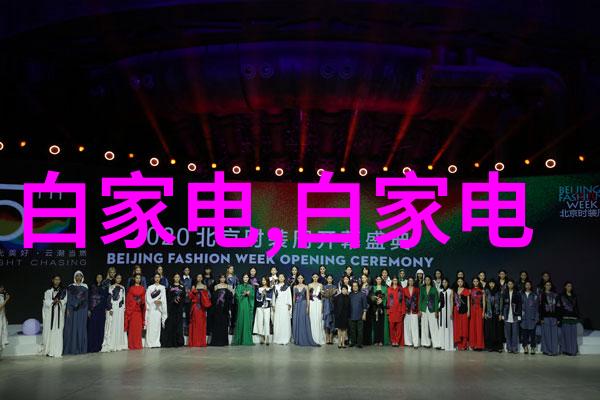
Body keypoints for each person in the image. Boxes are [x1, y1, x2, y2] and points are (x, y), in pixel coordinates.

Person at [63, 270, 88, 355]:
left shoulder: (85, 286)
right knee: (71, 328)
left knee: (81, 328)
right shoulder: (70, 286)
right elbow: (68, 299)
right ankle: (71, 348)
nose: (78, 277)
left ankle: (80, 348)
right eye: (77, 275)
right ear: (74, 277)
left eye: (80, 275)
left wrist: (86, 310)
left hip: (82, 310)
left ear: (82, 277)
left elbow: (86, 300)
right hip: (72, 310)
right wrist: (68, 309)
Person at [101, 273, 127, 352]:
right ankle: (111, 343)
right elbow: (109, 298)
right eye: (117, 278)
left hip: (120, 309)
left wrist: (123, 308)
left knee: (119, 324)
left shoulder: (122, 287)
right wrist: (110, 308)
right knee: (112, 325)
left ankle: (118, 344)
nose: (119, 279)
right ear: (115, 278)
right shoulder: (111, 287)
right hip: (113, 308)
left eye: (120, 278)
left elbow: (123, 298)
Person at [42, 275, 67, 357]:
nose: (57, 281)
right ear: (52, 280)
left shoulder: (63, 291)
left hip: (59, 313)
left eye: (58, 279)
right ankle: (49, 350)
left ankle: (57, 351)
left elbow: (65, 300)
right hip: (50, 314)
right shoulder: (48, 291)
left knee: (58, 331)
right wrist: (52, 302)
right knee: (50, 331)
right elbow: (45, 301)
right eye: (55, 279)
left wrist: (59, 301)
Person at [292, 275, 319, 346]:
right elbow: (294, 298)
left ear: (303, 279)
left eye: (301, 278)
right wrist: (293, 307)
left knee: (302, 320)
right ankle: (297, 339)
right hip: (297, 305)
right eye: (299, 278)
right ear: (297, 279)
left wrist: (307, 307)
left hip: (303, 305)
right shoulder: (294, 287)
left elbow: (307, 298)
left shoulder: (306, 286)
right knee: (296, 321)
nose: (300, 279)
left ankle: (303, 338)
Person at [162, 273, 185, 348]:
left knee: (178, 325)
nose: (177, 278)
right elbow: (168, 297)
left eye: (178, 277)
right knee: (171, 324)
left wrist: (179, 300)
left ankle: (178, 342)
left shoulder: (182, 287)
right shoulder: (170, 287)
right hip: (172, 308)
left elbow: (184, 297)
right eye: (175, 277)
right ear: (173, 278)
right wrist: (173, 300)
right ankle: (171, 341)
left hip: (179, 308)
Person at [189, 274, 211, 347]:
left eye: (201, 277)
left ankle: (201, 342)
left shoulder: (204, 286)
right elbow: (190, 297)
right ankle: (195, 342)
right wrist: (192, 291)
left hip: (202, 308)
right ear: (196, 278)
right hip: (195, 307)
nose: (199, 278)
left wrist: (204, 292)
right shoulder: (193, 286)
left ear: (202, 278)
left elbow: (208, 297)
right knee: (195, 323)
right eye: (198, 277)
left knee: (201, 324)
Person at [210, 274, 233, 346]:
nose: (222, 279)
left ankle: (224, 341)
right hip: (217, 309)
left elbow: (231, 297)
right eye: (221, 278)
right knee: (217, 324)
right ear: (219, 279)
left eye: (223, 278)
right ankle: (216, 341)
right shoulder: (216, 286)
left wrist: (228, 306)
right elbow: (213, 298)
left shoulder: (228, 286)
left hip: (225, 309)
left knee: (224, 325)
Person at [145, 273, 167, 348]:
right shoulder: (150, 287)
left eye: (158, 277)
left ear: (160, 278)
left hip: (158, 309)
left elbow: (163, 298)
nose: (157, 278)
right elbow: (147, 298)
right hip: (151, 309)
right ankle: (149, 343)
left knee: (157, 326)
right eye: (156, 277)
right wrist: (153, 301)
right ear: (154, 278)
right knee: (150, 326)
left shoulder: (162, 287)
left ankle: (156, 342)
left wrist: (160, 301)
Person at [87, 273, 108, 353]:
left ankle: (98, 346)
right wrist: (89, 309)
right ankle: (91, 346)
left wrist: (106, 308)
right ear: (96, 278)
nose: (99, 278)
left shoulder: (104, 287)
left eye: (100, 277)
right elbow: (89, 298)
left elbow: (106, 299)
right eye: (98, 277)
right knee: (92, 328)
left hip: (101, 310)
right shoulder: (92, 287)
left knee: (100, 328)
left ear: (102, 279)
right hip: (93, 310)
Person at [125, 273, 145, 350]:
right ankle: (132, 344)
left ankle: (138, 344)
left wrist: (140, 301)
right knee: (132, 329)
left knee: (138, 329)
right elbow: (129, 300)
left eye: (139, 278)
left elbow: (143, 299)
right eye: (137, 278)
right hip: (132, 311)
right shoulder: (131, 288)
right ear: (134, 279)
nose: (138, 279)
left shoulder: (142, 288)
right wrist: (135, 301)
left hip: (139, 311)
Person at [233, 273, 254, 345]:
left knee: (247, 321)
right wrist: (243, 294)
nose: (246, 278)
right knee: (240, 320)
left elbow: (252, 297)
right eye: (244, 277)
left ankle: (246, 339)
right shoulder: (239, 286)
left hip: (247, 305)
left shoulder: (250, 287)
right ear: (242, 278)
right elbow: (237, 296)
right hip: (241, 305)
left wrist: (249, 294)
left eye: (247, 277)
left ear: (248, 278)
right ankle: (239, 340)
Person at [558, 282, 579, 356]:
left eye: (570, 286)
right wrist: (559, 318)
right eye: (568, 286)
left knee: (573, 335)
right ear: (565, 287)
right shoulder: (561, 296)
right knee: (566, 335)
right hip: (565, 317)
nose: (570, 287)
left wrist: (577, 316)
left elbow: (576, 307)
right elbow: (559, 308)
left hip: (573, 318)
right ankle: (566, 350)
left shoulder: (574, 296)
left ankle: (573, 351)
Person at [419, 275, 441, 349]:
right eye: (426, 280)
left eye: (428, 280)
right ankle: (426, 343)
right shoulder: (422, 289)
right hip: (424, 309)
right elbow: (420, 299)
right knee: (424, 326)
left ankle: (436, 344)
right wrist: (420, 309)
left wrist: (436, 311)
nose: (427, 281)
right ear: (424, 281)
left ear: (430, 281)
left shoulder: (434, 289)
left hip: (432, 309)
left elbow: (436, 300)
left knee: (434, 326)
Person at [539, 280, 560, 356]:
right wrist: (541, 318)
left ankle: (554, 351)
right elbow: (540, 307)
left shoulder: (555, 295)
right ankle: (547, 350)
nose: (548, 286)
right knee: (546, 335)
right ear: (544, 286)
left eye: (549, 285)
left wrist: (558, 318)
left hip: (554, 317)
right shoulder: (542, 295)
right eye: (547, 285)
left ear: (551, 286)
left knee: (554, 335)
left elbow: (558, 307)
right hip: (545, 317)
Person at [501, 279, 522, 354]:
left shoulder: (517, 293)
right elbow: (502, 304)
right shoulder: (504, 293)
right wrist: (502, 314)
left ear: (513, 285)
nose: (510, 285)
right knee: (508, 334)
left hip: (515, 316)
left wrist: (519, 315)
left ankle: (515, 348)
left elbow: (519, 304)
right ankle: (509, 348)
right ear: (507, 285)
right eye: (509, 284)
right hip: (506, 315)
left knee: (515, 333)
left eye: (511, 284)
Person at [272, 273, 292, 345]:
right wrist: (273, 305)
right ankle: (277, 338)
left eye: (282, 277)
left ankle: (285, 338)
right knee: (278, 321)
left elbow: (289, 296)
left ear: (284, 278)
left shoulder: (287, 287)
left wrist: (289, 305)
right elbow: (274, 296)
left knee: (285, 321)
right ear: (278, 278)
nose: (281, 278)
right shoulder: (275, 286)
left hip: (285, 305)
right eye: (279, 277)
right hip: (278, 305)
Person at [484, 279, 503, 352]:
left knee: (498, 330)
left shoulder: (498, 292)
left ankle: (498, 347)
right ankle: (490, 347)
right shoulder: (486, 292)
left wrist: (500, 314)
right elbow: (484, 303)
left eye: (493, 283)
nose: (491, 284)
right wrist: (485, 312)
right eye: (490, 283)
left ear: (495, 284)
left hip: (496, 313)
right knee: (490, 330)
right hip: (489, 313)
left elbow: (501, 303)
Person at [520, 280, 539, 354]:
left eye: (529, 285)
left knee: (533, 334)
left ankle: (533, 347)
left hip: (532, 318)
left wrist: (536, 317)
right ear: (524, 286)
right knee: (524, 334)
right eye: (526, 285)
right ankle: (525, 347)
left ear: (531, 286)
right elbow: (519, 306)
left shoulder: (534, 295)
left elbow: (537, 307)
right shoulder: (521, 295)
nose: (527, 286)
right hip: (524, 318)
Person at [253, 277, 273, 345]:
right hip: (260, 307)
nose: (263, 281)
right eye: (262, 280)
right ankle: (262, 337)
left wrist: (266, 294)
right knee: (260, 321)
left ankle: (267, 337)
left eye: (265, 280)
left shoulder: (270, 289)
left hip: (267, 307)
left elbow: (270, 297)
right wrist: (261, 294)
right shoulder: (259, 289)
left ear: (267, 281)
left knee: (266, 321)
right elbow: (257, 298)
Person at [348, 281, 368, 348]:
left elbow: (365, 305)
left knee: (360, 331)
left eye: (356, 286)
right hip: (351, 315)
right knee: (352, 330)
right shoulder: (350, 295)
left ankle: (359, 343)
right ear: (352, 287)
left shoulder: (362, 294)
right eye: (353, 286)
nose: (355, 287)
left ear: (358, 286)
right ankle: (353, 342)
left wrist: (364, 314)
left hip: (360, 315)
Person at [370, 276, 389, 346]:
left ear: (381, 280)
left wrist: (381, 301)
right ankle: (376, 340)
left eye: (380, 279)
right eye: (377, 279)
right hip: (375, 309)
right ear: (376, 280)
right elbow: (371, 297)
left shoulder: (384, 288)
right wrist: (376, 301)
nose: (378, 280)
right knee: (375, 325)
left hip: (382, 309)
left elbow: (386, 298)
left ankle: (381, 341)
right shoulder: (373, 287)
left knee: (381, 325)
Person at [308, 273, 326, 345]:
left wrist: (322, 306)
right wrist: (308, 306)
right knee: (312, 319)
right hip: (312, 303)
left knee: (318, 319)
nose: (315, 278)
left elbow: (322, 297)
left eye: (316, 277)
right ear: (312, 277)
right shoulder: (309, 285)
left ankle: (318, 338)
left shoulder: (320, 285)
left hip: (318, 303)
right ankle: (312, 338)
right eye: (314, 277)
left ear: (318, 277)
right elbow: (308, 296)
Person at [453, 277, 470, 351]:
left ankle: (464, 344)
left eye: (461, 281)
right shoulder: (455, 290)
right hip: (457, 311)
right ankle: (458, 344)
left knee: (464, 328)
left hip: (464, 311)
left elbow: (468, 301)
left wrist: (468, 311)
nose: (460, 283)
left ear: (463, 282)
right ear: (457, 283)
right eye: (458, 281)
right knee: (458, 327)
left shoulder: (466, 290)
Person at [469, 277, 485, 351]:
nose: (475, 282)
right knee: (473, 327)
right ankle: (473, 345)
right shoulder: (470, 291)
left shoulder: (482, 291)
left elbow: (484, 302)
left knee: (479, 327)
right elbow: (469, 302)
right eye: (474, 281)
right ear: (472, 282)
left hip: (479, 309)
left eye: (477, 281)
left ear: (479, 282)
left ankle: (479, 345)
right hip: (472, 309)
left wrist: (483, 312)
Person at [387, 276, 404, 347]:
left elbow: (403, 301)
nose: (395, 281)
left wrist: (403, 310)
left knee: (399, 328)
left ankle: (397, 341)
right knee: (391, 327)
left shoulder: (400, 289)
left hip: (399, 310)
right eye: (393, 280)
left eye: (396, 280)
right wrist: (388, 310)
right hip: (391, 311)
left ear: (397, 281)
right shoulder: (389, 289)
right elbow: (388, 301)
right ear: (392, 281)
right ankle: (393, 341)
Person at [403, 277, 420, 348]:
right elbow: (402, 300)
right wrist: (404, 310)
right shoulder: (404, 289)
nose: (410, 282)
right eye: (409, 281)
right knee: (407, 326)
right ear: (408, 282)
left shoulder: (417, 289)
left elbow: (418, 300)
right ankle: (408, 342)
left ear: (413, 282)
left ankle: (415, 343)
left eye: (412, 281)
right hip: (407, 310)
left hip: (414, 310)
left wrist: (419, 310)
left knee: (415, 326)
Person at [438, 277, 454, 351]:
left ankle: (448, 344)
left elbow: (451, 301)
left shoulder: (450, 291)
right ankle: (442, 344)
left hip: (448, 311)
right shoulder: (440, 290)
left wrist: (451, 312)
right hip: (441, 311)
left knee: (448, 326)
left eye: (445, 282)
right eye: (443, 282)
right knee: (441, 325)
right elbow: (439, 301)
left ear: (448, 283)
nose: (444, 283)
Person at [322, 275, 337, 345]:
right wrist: (329, 293)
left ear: (332, 279)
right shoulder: (324, 286)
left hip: (333, 306)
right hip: (326, 306)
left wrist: (328, 293)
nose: (329, 279)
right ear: (327, 279)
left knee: (332, 322)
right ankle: (327, 338)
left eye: (331, 278)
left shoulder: (335, 286)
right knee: (326, 322)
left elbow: (333, 295)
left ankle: (331, 338)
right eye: (328, 278)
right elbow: (325, 295)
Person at [360, 274, 372, 345]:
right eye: (362, 278)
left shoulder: (370, 287)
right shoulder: (360, 286)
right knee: (362, 325)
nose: (363, 279)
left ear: (367, 278)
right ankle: (361, 340)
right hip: (360, 307)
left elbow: (370, 297)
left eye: (364, 277)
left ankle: (367, 341)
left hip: (368, 307)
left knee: (368, 324)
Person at [181, 266, 193, 336]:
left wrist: (190, 292)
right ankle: (182, 330)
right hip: (182, 300)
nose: (187, 271)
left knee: (188, 316)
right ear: (183, 271)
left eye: (188, 270)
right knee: (181, 316)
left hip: (189, 300)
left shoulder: (191, 280)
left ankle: (188, 331)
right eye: (185, 270)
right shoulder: (180, 279)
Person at [0, 285, 9, 351]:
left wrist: (5, 317)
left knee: (3, 329)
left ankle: (2, 344)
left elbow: (3, 308)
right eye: (1, 288)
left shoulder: (1, 296)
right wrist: (6, 300)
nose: (3, 289)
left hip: (2, 315)